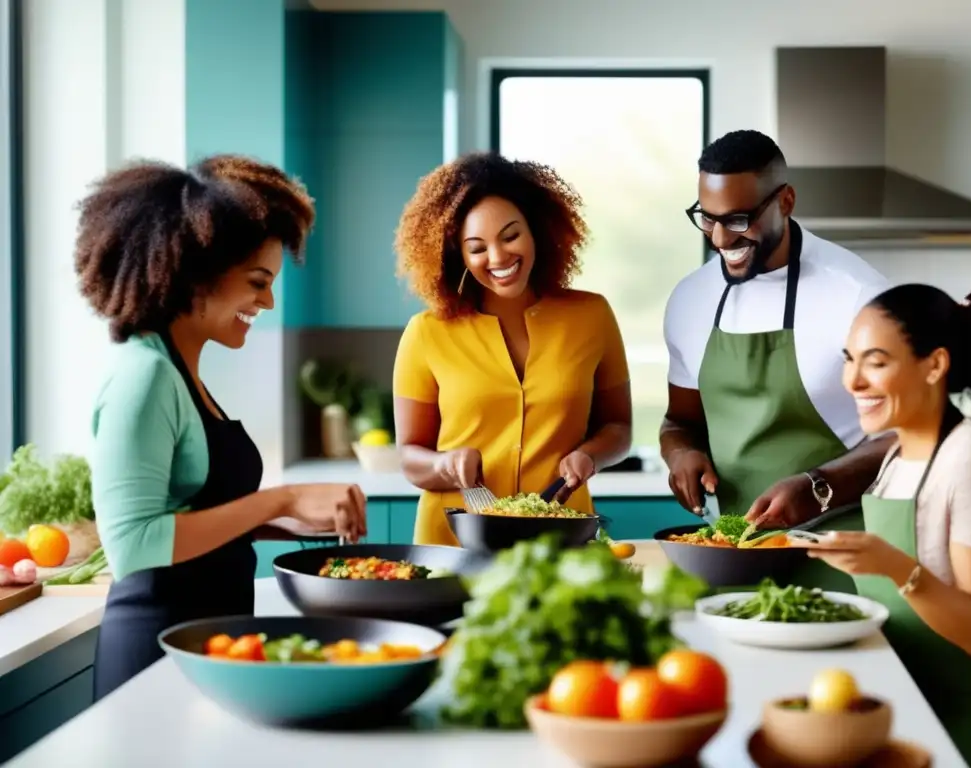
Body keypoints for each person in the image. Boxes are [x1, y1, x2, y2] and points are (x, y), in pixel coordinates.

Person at [76, 155, 368, 699]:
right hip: (153, 659)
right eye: (258, 282)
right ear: (197, 270)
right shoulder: (143, 376)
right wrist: (279, 501)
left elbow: (189, 518)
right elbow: (134, 545)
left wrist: (285, 525)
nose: (268, 301)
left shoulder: (182, 371)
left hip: (210, 647)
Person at [796, 283, 971, 767]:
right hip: (909, 698)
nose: (852, 381)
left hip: (965, 717)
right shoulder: (898, 455)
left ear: (935, 366)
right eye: (849, 359)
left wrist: (899, 569)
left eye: (875, 362)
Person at [660, 129, 892, 591]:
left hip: (842, 551)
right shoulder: (690, 299)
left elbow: (910, 436)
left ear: (785, 201)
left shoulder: (859, 296)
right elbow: (678, 421)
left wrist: (818, 485)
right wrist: (681, 454)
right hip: (733, 552)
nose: (721, 238)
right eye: (708, 219)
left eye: (739, 219)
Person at [392, 151, 632, 545]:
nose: (499, 257)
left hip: (559, 536)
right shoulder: (426, 333)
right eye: (477, 246)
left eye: (510, 235)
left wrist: (590, 455)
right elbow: (410, 457)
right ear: (458, 255)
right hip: (454, 541)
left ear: (536, 229)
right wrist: (445, 464)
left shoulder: (592, 315)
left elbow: (618, 429)